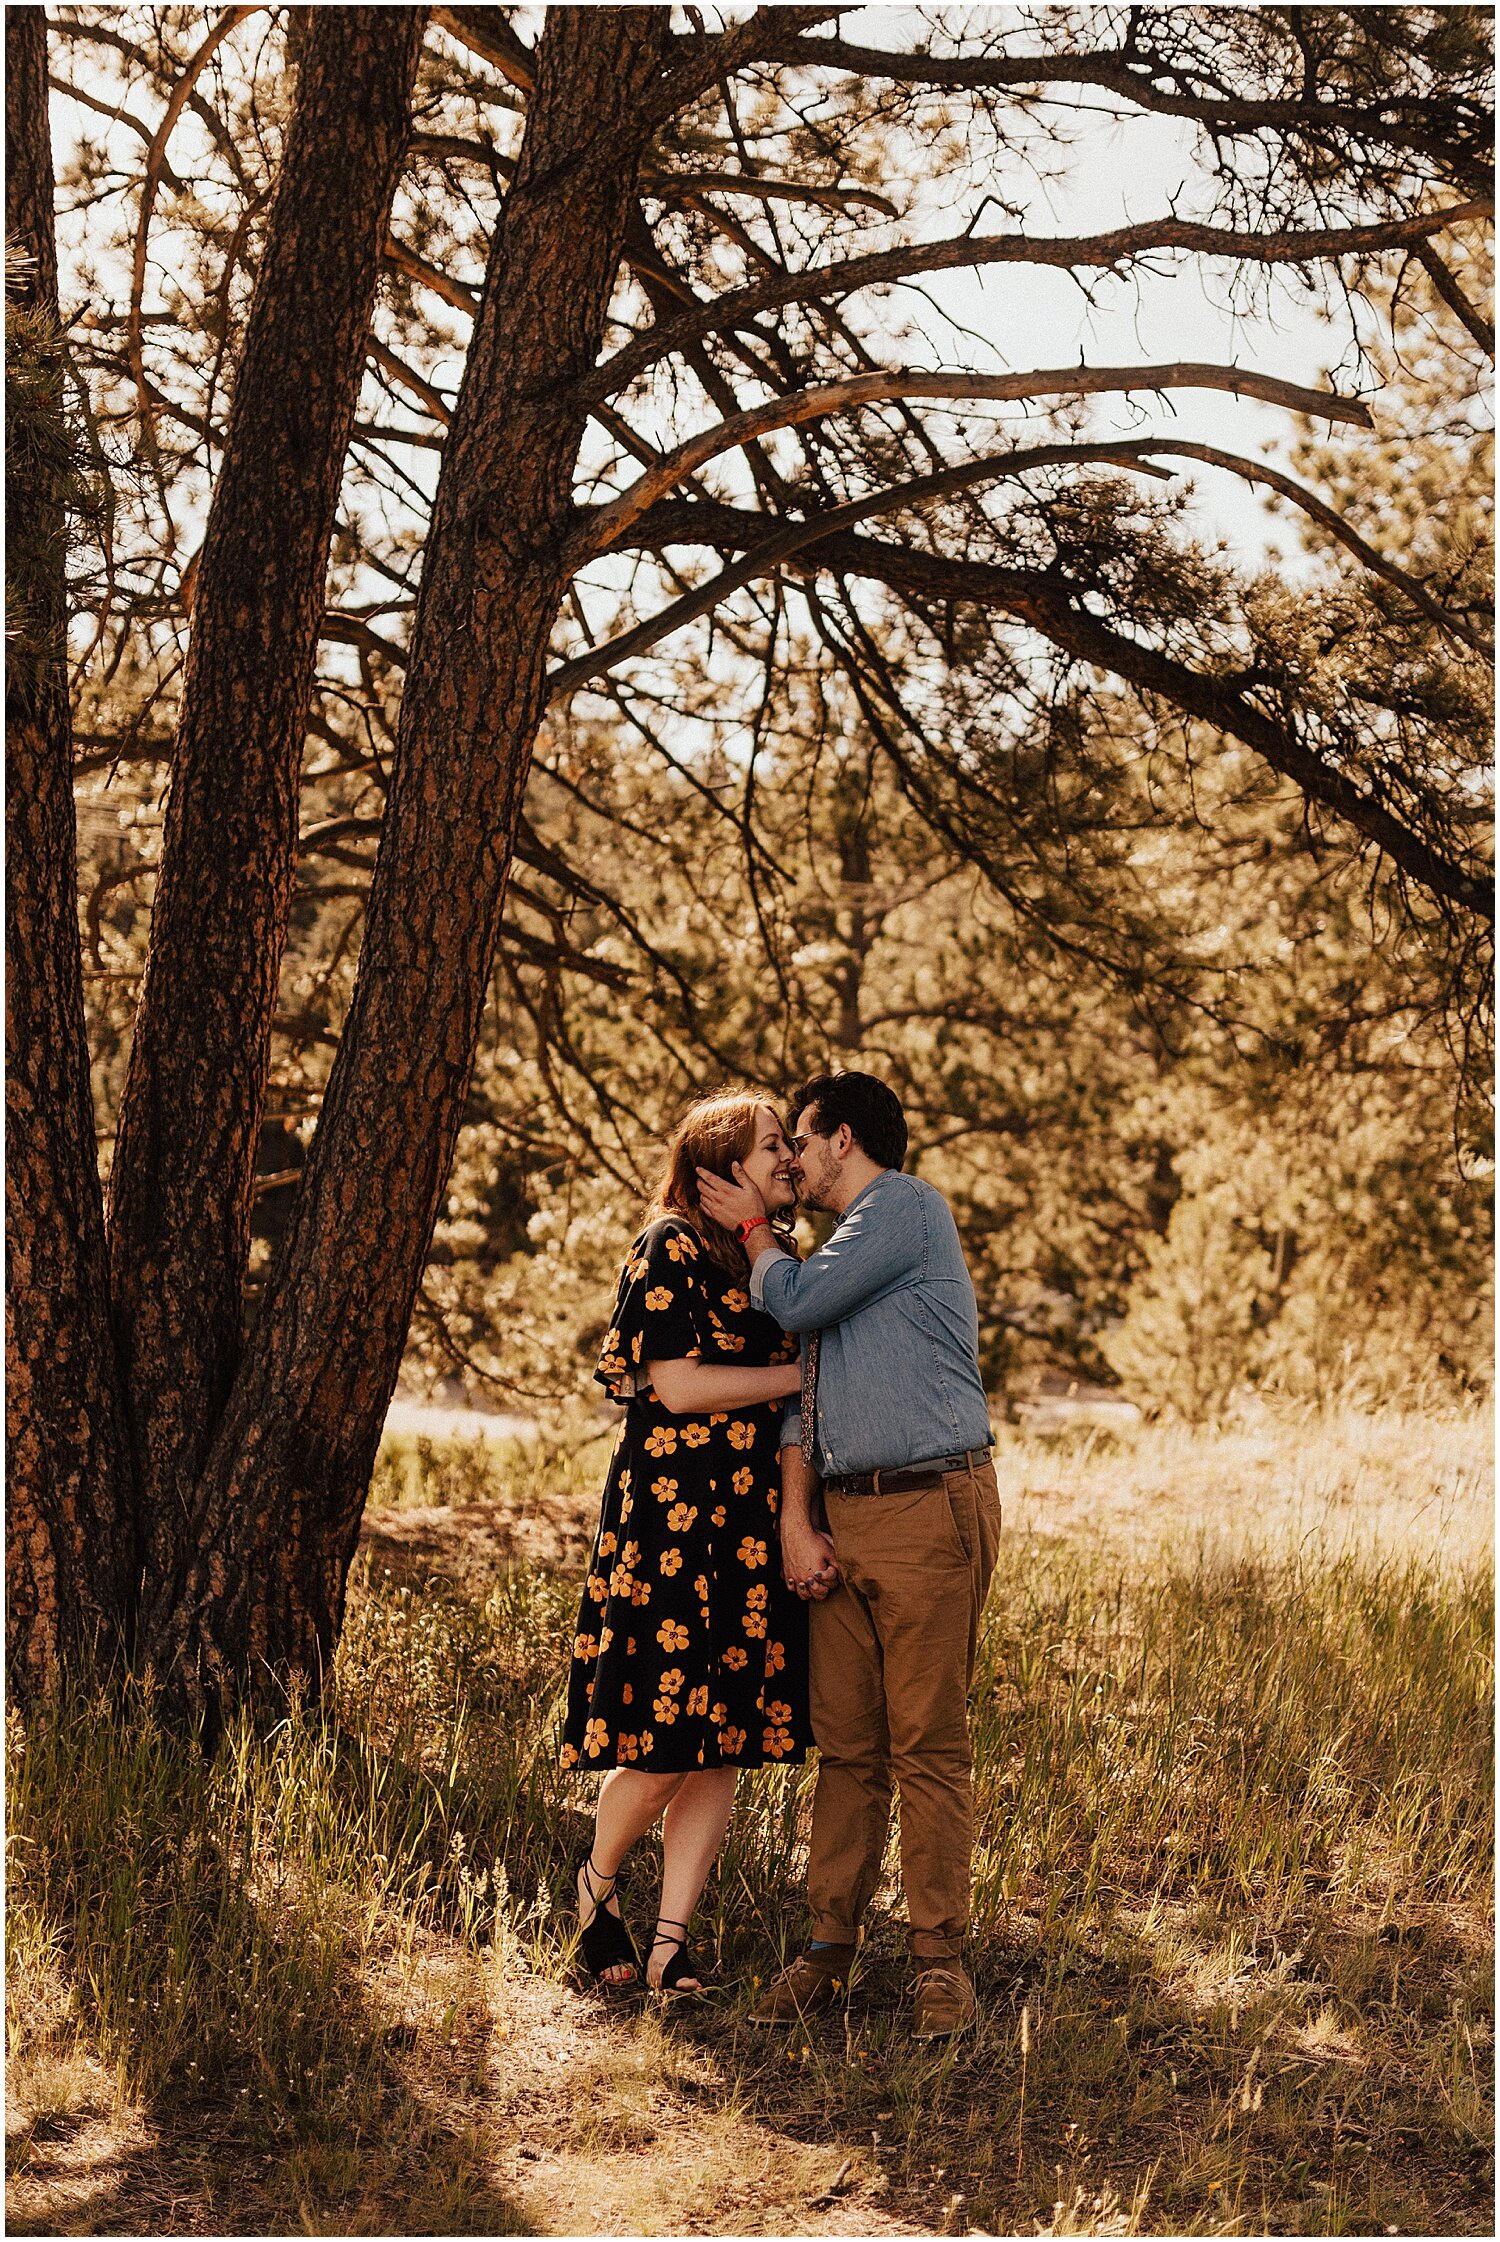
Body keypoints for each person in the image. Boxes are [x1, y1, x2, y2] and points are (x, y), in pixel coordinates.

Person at [697, 1070, 1001, 2041]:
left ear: (840, 1138)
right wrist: (801, 1519)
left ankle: (937, 1964)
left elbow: (794, 1301)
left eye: (802, 1139)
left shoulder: (902, 1210)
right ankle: (830, 1949)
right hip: (844, 1516)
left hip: (928, 1504)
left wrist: (754, 1232)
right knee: (849, 1745)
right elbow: (805, 1388)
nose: (790, 1161)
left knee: (927, 1744)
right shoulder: (843, 1245)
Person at [561, 1092, 820, 1996]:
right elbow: (675, 1386)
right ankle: (596, 1893)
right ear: (722, 1164)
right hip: (672, 1519)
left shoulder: (772, 1257)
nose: (791, 1157)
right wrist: (805, 1372)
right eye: (774, 1145)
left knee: (724, 1739)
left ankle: (671, 1941)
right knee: (665, 1740)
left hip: (748, 1522)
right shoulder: (665, 1244)